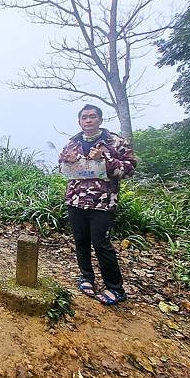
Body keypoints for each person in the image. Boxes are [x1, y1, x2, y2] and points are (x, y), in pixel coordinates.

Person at [59, 104, 136, 305]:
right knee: (81, 241)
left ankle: (115, 288)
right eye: (84, 117)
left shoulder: (116, 142)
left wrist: (105, 159)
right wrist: (67, 161)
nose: (88, 120)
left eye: (92, 116)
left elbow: (129, 169)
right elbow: (62, 169)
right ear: (79, 121)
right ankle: (86, 277)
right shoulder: (72, 143)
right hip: (75, 200)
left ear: (100, 120)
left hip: (102, 202)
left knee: (101, 244)